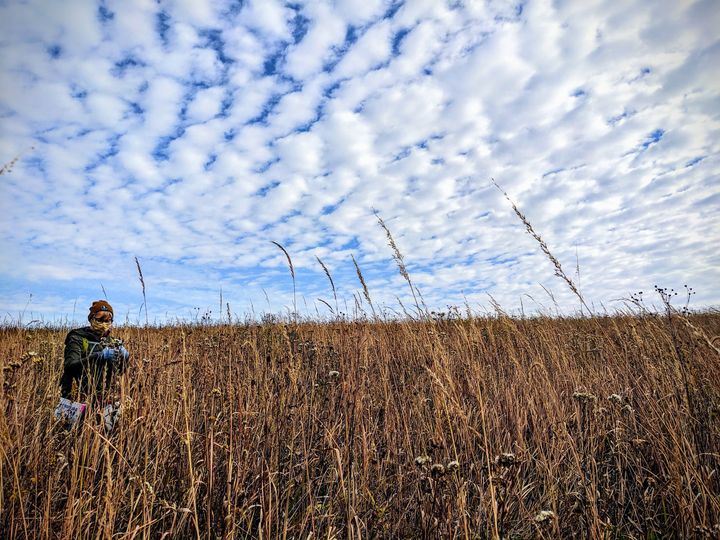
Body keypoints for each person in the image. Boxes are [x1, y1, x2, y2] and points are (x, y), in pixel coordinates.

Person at [57, 300, 129, 429]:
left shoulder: (112, 342)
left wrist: (125, 359)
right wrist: (99, 356)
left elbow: (119, 372)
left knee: (107, 433)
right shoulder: (77, 337)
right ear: (91, 319)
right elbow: (70, 365)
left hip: (104, 396)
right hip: (76, 395)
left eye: (108, 320)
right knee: (71, 434)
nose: (104, 323)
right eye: (100, 319)